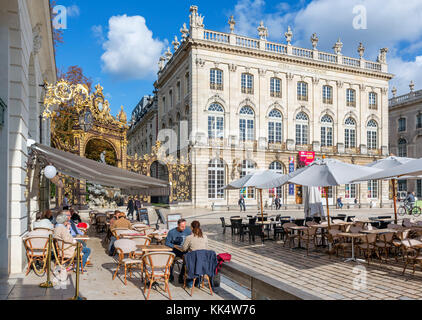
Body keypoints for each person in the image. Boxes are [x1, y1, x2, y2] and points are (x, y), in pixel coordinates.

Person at [176, 221, 208, 289]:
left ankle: (189, 281)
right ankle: (197, 282)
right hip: (202, 261)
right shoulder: (205, 237)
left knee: (186, 259)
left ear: (191, 227)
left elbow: (184, 249)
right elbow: (205, 247)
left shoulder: (189, 237)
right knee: (196, 259)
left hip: (192, 262)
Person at [165, 219, 192, 283]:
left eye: (184, 226)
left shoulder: (188, 231)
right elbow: (167, 243)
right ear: (178, 225)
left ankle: (181, 276)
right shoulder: (172, 232)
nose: (184, 228)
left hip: (184, 250)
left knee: (187, 260)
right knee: (170, 260)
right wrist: (174, 246)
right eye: (182, 226)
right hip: (174, 250)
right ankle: (171, 275)